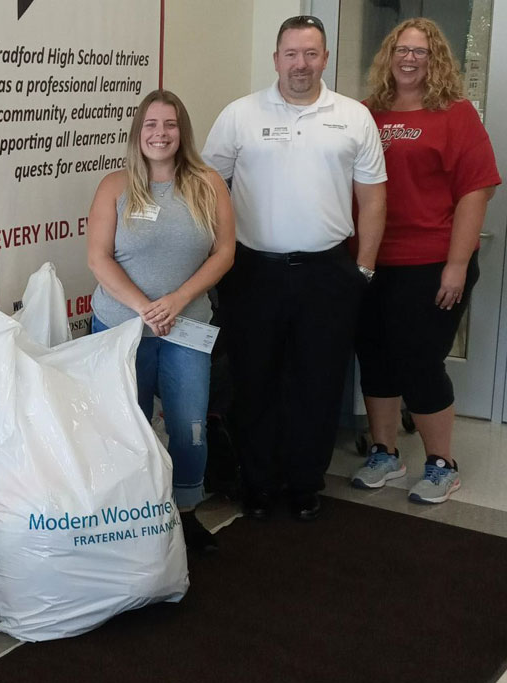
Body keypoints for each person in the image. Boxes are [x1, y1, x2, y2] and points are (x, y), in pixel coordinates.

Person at [201, 15, 387, 521]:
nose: (300, 64)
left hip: (328, 273)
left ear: (325, 58)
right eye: (291, 54)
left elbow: (372, 199)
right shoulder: (239, 115)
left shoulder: (353, 117)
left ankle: (306, 484)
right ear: (276, 58)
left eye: (310, 53)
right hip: (252, 271)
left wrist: (363, 270)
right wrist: (218, 259)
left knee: (318, 382)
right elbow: (209, 191)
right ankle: (258, 484)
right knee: (253, 380)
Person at [350, 18, 500, 503]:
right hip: (372, 258)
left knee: (419, 360)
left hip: (434, 259)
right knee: (375, 357)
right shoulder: (366, 113)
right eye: (402, 49)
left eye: (421, 51)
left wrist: (456, 265)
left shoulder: (455, 114)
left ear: (436, 60)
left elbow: (477, 189)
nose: (410, 58)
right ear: (388, 56)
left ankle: (442, 463)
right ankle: (385, 453)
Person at [87, 89, 236, 551]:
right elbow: (98, 258)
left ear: (182, 132)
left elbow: (225, 252)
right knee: (124, 428)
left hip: (187, 327)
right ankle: (131, 520)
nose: (160, 134)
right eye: (151, 125)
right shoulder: (114, 186)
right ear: (138, 132)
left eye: (169, 125)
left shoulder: (208, 183)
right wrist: (143, 307)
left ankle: (186, 512)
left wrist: (176, 300)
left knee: (189, 426)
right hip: (121, 327)